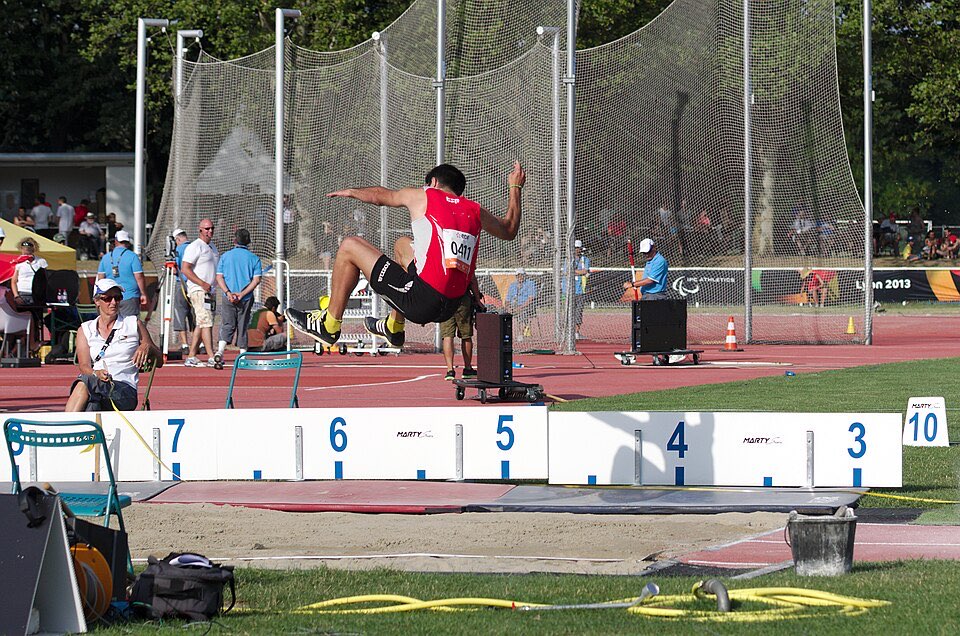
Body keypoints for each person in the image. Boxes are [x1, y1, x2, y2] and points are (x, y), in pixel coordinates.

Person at [287, 161, 525, 348]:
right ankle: (394, 326)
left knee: (350, 245)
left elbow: (383, 196)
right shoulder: (473, 210)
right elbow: (509, 229)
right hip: (451, 305)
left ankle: (329, 324)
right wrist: (515, 187)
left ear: (432, 182)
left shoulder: (426, 194)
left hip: (422, 300)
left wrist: (352, 191)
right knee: (402, 245)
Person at [66, 278, 162, 412]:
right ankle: (87, 432)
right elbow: (84, 366)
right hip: (98, 384)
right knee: (91, 404)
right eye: (108, 298)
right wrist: (96, 373)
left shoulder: (133, 323)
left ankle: (65, 429)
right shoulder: (86, 329)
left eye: (117, 298)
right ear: (97, 301)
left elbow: (160, 361)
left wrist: (147, 345)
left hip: (124, 390)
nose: (113, 302)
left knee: (84, 383)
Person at [215, 228, 262, 359]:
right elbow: (256, 280)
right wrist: (242, 294)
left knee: (227, 324)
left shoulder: (225, 256)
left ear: (235, 240)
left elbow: (219, 277)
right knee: (243, 324)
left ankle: (220, 351)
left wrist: (228, 292)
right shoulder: (254, 258)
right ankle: (242, 355)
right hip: (245, 297)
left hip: (228, 296)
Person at [181, 218, 220, 367]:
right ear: (200, 230)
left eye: (211, 228)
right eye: (207, 228)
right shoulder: (195, 246)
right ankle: (211, 356)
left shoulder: (212, 247)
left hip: (210, 291)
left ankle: (191, 355)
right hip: (198, 290)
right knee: (207, 321)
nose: (209, 231)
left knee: (202, 322)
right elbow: (185, 268)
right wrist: (201, 283)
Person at [96, 229, 148, 318]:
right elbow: (139, 276)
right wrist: (143, 293)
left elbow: (100, 278)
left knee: (112, 325)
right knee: (130, 326)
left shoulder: (106, 257)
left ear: (115, 241)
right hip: (130, 296)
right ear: (128, 242)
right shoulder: (133, 256)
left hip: (110, 298)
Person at [440, 277, 482, 380]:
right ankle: (467, 368)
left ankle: (450, 370)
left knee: (447, 336)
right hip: (462, 299)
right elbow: (472, 280)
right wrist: (477, 299)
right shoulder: (465, 261)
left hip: (444, 299)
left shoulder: (441, 260)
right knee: (466, 335)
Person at [171, 228, 193, 356]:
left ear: (177, 240)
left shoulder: (178, 250)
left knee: (180, 312)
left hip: (182, 283)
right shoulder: (195, 247)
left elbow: (174, 269)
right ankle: (199, 343)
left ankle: (185, 344)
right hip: (195, 284)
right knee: (194, 314)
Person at [10, 236, 48, 306]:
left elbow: (45, 279)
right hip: (22, 292)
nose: (26, 253)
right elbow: (14, 281)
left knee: (36, 315)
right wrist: (16, 296)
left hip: (37, 294)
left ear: (33, 250)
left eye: (28, 250)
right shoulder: (18, 262)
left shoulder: (41, 261)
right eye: (24, 250)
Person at [505, 268, 537, 340]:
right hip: (514, 306)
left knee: (522, 313)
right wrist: (508, 308)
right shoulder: (512, 285)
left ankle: (521, 333)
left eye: (521, 275)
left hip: (526, 306)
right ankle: (504, 334)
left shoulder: (530, 284)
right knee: (501, 312)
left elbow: (530, 299)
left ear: (524, 275)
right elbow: (507, 300)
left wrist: (520, 307)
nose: (520, 277)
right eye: (518, 276)